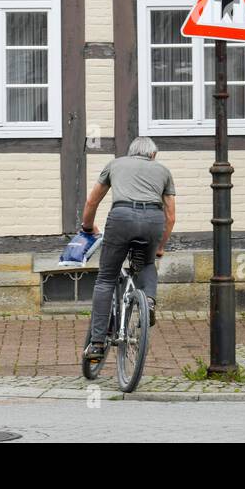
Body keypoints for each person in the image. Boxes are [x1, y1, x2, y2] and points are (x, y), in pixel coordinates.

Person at [80, 137, 176, 357]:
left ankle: (97, 343)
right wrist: (160, 246)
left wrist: (87, 227)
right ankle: (149, 302)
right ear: (152, 155)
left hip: (121, 218)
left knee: (105, 278)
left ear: (131, 152)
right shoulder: (163, 171)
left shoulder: (115, 164)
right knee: (148, 262)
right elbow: (170, 217)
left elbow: (91, 201)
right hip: (153, 219)